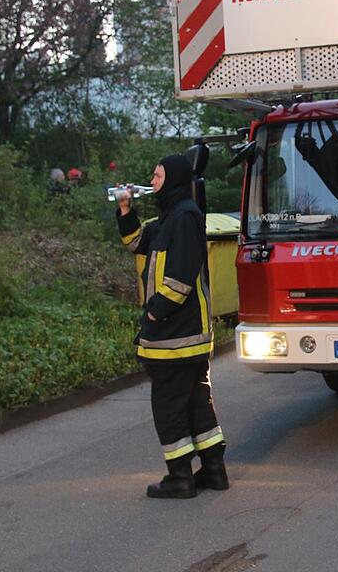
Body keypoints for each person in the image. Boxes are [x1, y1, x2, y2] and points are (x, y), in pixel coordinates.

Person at [116, 154, 228, 499]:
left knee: (168, 404)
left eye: (158, 175)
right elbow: (137, 243)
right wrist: (125, 209)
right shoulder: (169, 217)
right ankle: (213, 471)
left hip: (175, 333)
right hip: (183, 334)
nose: (152, 181)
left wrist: (155, 312)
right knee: (196, 401)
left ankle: (179, 477)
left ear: (175, 179)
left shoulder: (184, 217)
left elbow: (180, 275)